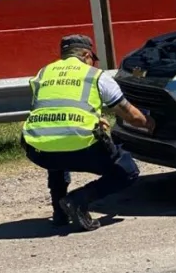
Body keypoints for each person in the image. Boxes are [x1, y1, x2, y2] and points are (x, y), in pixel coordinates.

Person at [22, 34, 155, 232]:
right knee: (127, 171)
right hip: (82, 150)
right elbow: (132, 117)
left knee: (55, 142)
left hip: (37, 150)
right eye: (93, 58)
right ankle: (78, 200)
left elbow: (56, 109)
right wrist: (152, 124)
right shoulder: (95, 76)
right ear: (86, 55)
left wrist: (93, 116)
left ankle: (59, 212)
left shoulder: (43, 73)